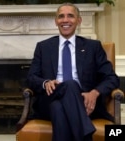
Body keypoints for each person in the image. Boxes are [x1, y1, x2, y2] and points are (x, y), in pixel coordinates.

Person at [27, 3, 119, 141]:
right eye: (61, 16)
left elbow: (112, 78)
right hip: (49, 98)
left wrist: (94, 93)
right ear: (56, 21)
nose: (65, 20)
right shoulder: (43, 47)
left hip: (84, 103)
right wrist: (45, 83)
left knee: (58, 108)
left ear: (79, 20)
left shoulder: (93, 47)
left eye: (70, 16)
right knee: (70, 85)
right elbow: (31, 77)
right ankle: (86, 134)